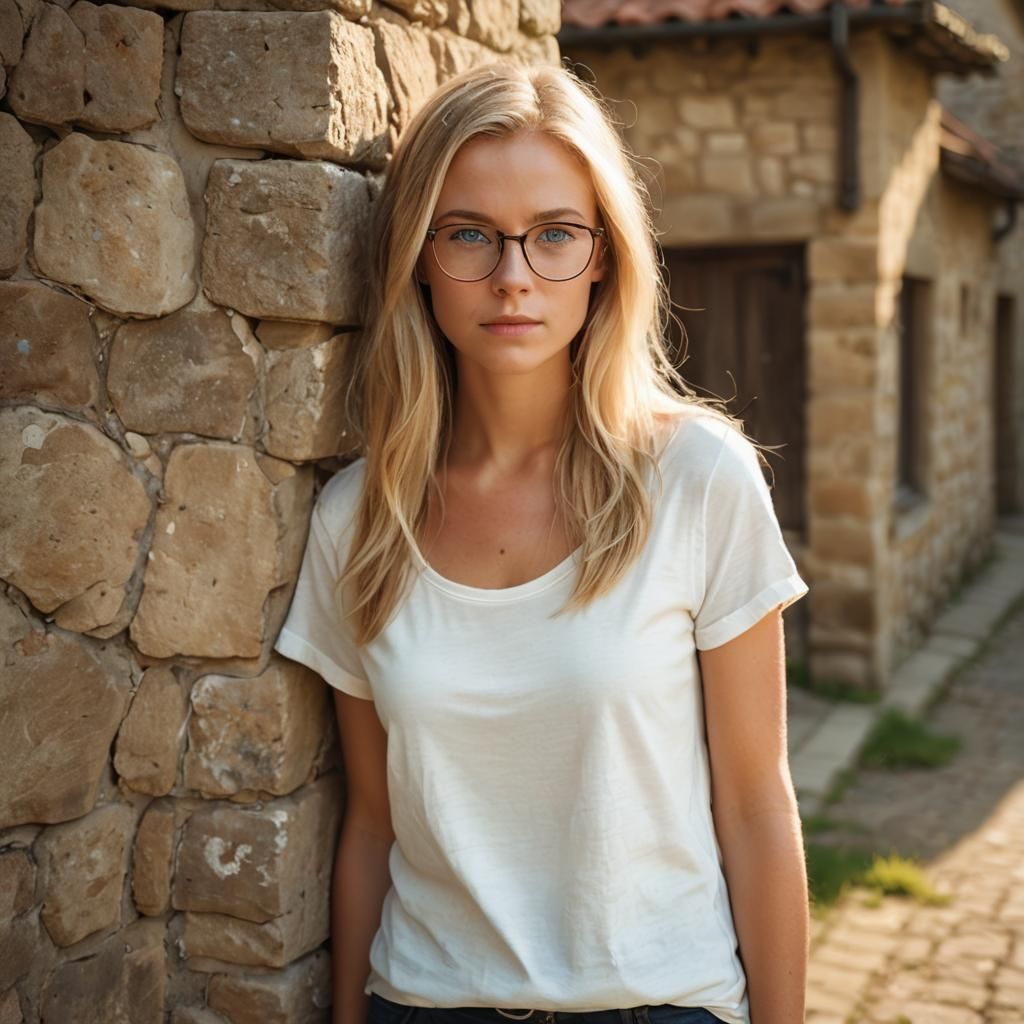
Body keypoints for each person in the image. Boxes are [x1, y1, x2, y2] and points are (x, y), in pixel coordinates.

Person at [273, 61, 810, 1024]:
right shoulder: (359, 518)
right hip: (424, 1005)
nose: (514, 276)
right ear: (418, 256)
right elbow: (369, 826)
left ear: (604, 255)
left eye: (555, 234)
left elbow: (758, 806)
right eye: (471, 234)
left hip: (660, 1006)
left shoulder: (699, 480)